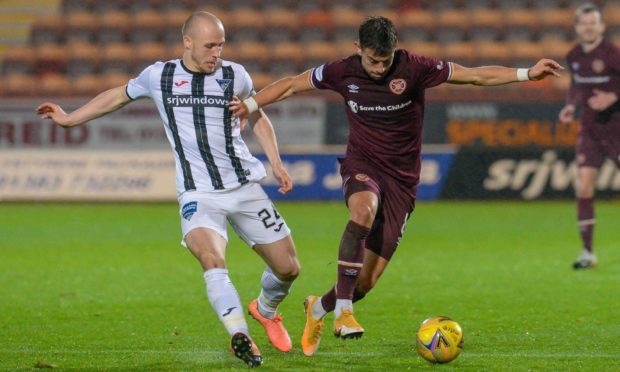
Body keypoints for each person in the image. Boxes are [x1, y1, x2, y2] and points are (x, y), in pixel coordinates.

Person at [230, 16, 562, 356]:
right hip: (363, 164)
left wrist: (526, 73)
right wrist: (251, 105)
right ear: (358, 49)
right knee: (363, 210)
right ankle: (344, 312)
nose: (379, 67)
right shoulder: (342, 71)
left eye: (385, 60)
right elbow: (290, 85)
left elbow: (474, 75)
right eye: (373, 60)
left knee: (365, 282)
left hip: (402, 180)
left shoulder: (415, 67)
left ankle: (319, 307)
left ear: (395, 50)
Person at [37, 11, 300, 368]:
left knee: (288, 269)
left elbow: (258, 115)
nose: (216, 54)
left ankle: (265, 310)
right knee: (211, 258)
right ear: (187, 43)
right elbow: (116, 96)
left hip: (244, 188)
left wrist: (277, 163)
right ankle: (241, 335)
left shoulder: (234, 75)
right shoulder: (159, 76)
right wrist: (69, 118)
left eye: (221, 46)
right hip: (197, 194)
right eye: (210, 46)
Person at [558, 3, 620, 270]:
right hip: (590, 131)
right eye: (584, 24)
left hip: (616, 128)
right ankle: (587, 252)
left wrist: (613, 96)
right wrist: (571, 105)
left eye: (593, 23)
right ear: (577, 27)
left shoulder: (612, 53)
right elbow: (576, 84)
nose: (588, 27)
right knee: (583, 187)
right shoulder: (573, 55)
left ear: (601, 27)